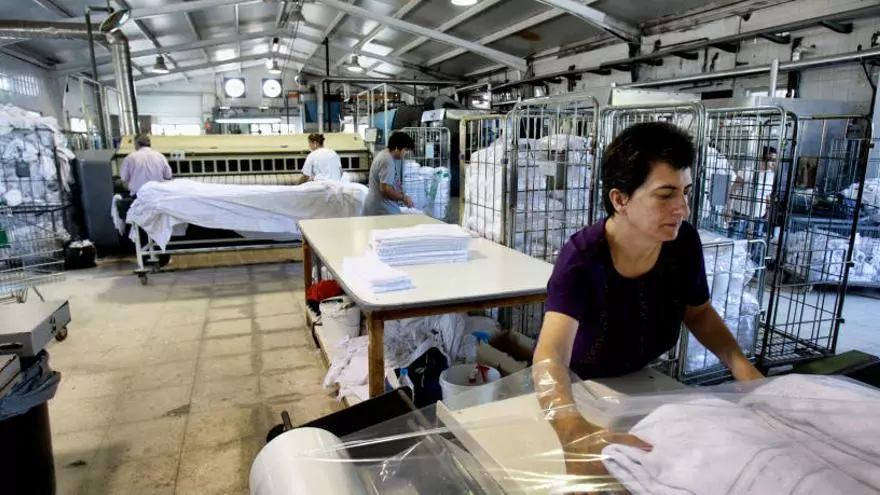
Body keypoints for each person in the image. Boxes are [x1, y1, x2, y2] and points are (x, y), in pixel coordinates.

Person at [532, 122, 764, 486]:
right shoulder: (582, 259)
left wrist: (745, 370)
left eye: (686, 192)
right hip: (580, 391)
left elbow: (699, 313)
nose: (683, 208)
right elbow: (551, 356)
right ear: (620, 200)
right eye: (665, 194)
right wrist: (571, 429)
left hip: (643, 384)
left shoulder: (682, 244)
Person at [364, 131, 415, 216]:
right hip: (382, 210)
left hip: (382, 207)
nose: (406, 153)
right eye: (405, 150)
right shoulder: (387, 160)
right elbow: (385, 189)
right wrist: (403, 198)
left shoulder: (385, 155)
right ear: (397, 148)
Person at [119, 133, 172, 198]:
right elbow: (168, 176)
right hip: (157, 195)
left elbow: (124, 178)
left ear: (137, 143)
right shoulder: (160, 157)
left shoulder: (130, 158)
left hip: (138, 196)